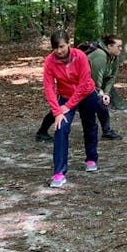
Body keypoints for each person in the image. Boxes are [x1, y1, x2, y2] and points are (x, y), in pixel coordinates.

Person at [35, 36, 123, 141]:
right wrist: (100, 91)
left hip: (88, 86)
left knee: (100, 104)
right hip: (81, 85)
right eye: (118, 46)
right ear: (109, 46)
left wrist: (107, 93)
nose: (120, 49)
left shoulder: (114, 58)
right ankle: (42, 131)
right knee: (61, 108)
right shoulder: (101, 56)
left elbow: (112, 77)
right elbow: (94, 76)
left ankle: (106, 131)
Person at [42, 30, 100, 187]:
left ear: (68, 43)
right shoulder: (49, 61)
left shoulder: (80, 56)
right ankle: (59, 173)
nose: (59, 51)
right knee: (60, 128)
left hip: (86, 94)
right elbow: (48, 87)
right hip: (65, 96)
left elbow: (84, 82)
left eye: (61, 46)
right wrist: (57, 111)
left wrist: (68, 106)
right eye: (55, 47)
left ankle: (91, 158)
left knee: (89, 125)